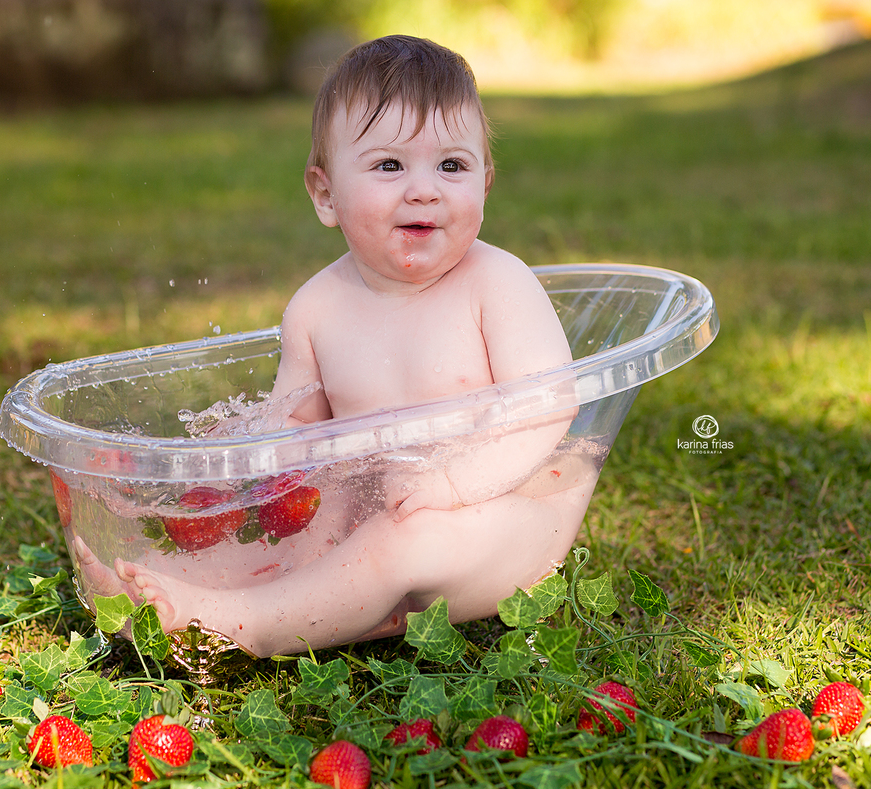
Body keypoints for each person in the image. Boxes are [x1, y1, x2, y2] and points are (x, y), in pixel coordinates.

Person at [90, 35, 593, 657]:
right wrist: (250, 456)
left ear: (485, 184)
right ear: (326, 194)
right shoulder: (316, 309)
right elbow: (299, 443)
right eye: (389, 165)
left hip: (506, 518)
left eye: (452, 166)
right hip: (386, 521)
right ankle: (159, 592)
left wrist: (457, 485)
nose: (424, 190)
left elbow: (550, 407)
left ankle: (243, 625)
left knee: (403, 540)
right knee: (298, 537)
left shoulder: (497, 285)